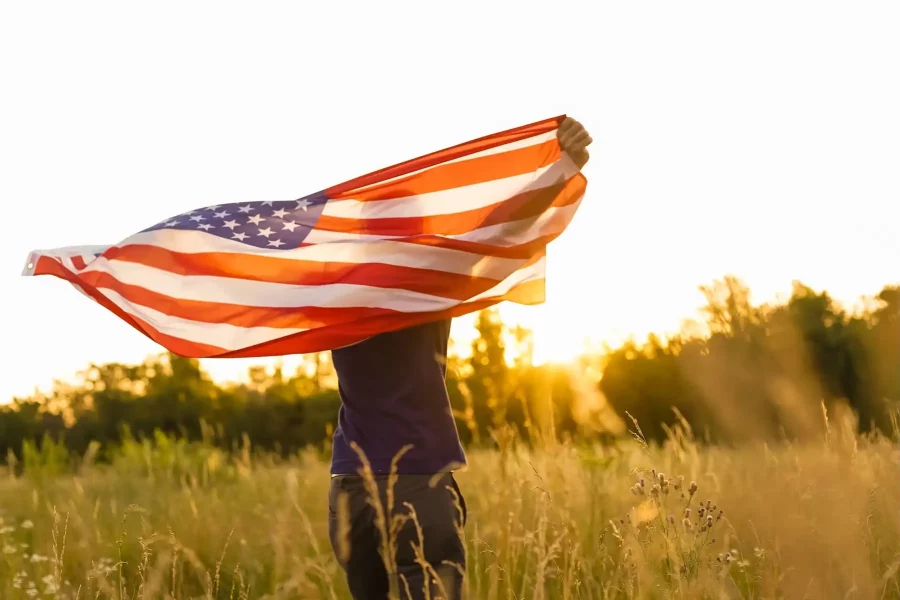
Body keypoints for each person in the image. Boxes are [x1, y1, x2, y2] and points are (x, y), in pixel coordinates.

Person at [327, 117, 593, 600]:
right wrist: (559, 168)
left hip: (349, 485)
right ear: (417, 230)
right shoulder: (427, 276)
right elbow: (498, 228)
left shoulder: (332, 288)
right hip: (416, 477)